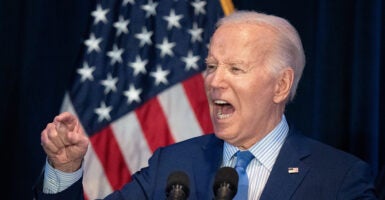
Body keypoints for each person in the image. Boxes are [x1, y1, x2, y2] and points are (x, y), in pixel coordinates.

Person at [34, 11, 378, 199]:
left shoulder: (340, 179)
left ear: (281, 85)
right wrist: (64, 170)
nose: (214, 81)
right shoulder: (172, 166)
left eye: (235, 68)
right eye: (211, 66)